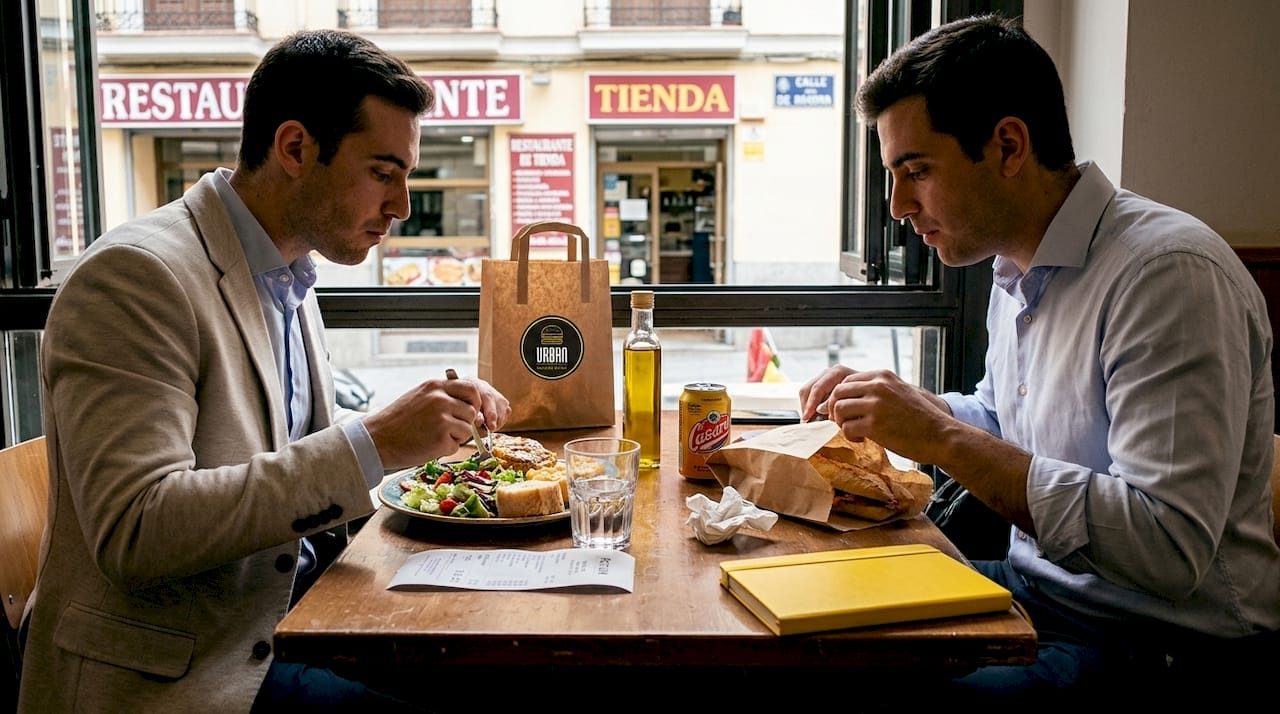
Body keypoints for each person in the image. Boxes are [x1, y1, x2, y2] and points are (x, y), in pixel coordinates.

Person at [18, 29, 508, 712]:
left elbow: (285, 466)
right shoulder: (135, 277)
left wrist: (432, 447)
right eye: (383, 172)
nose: (399, 205)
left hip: (291, 620)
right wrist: (373, 443)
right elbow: (136, 528)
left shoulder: (287, 271)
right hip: (181, 671)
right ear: (296, 149)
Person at [799, 14, 1279, 704]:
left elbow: (1168, 549)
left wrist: (939, 436)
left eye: (917, 172)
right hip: (1042, 595)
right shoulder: (1016, 267)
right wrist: (908, 408)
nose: (899, 206)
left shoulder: (1169, 276)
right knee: (809, 627)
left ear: (1009, 144)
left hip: (1164, 645)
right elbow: (1002, 418)